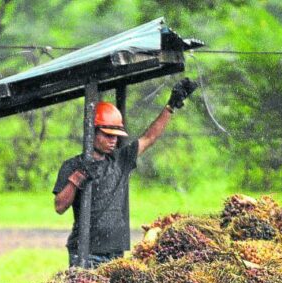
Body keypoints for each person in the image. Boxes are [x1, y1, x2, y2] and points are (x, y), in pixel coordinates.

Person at [53, 78, 199, 267]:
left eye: (116, 136)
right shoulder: (72, 165)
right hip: (86, 254)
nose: (113, 141)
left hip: (116, 253)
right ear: (92, 132)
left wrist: (170, 106)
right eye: (107, 135)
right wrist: (77, 178)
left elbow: (150, 137)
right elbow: (59, 206)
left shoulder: (120, 160)